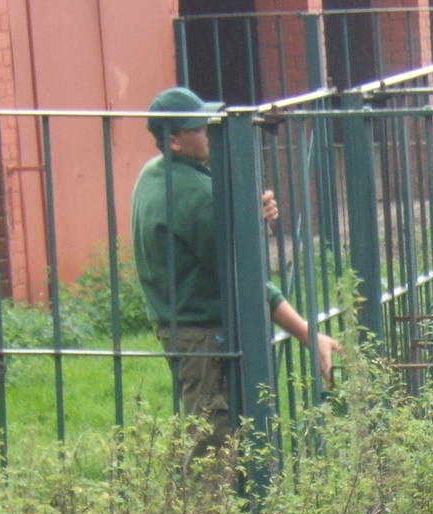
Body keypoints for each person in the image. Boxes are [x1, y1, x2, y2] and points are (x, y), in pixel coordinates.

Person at [131, 86, 341, 463]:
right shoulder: (197, 196)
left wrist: (248, 217)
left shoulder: (155, 174)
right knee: (214, 447)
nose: (210, 131)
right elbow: (247, 278)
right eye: (199, 127)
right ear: (175, 141)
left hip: (179, 326)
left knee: (213, 435)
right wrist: (308, 334)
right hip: (207, 336)